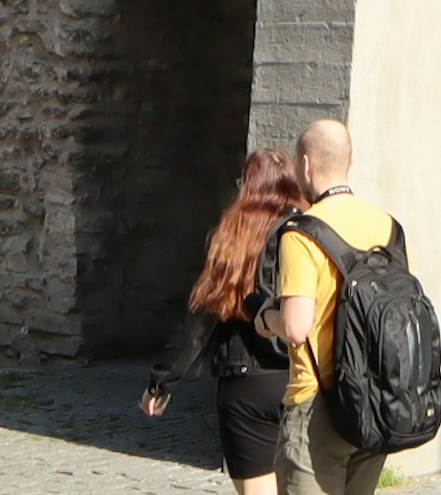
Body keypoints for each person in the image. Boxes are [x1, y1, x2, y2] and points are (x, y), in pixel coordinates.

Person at [142, 146, 304, 495]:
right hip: (302, 378)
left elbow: (199, 322)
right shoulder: (309, 233)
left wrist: (162, 381)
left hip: (247, 383)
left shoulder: (234, 239)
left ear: (247, 188)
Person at [266, 118, 400, 495]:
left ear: (305, 165)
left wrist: (265, 318)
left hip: (317, 401)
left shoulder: (302, 232)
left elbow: (296, 327)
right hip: (376, 398)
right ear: (349, 163)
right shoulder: (389, 228)